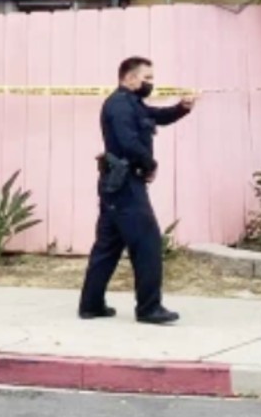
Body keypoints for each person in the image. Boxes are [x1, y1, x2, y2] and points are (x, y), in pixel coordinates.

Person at [79, 56, 198, 325]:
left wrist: (182, 108)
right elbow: (129, 142)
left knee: (108, 245)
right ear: (129, 78)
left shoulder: (132, 103)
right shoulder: (120, 105)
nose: (150, 83)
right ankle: (148, 308)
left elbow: (156, 116)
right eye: (147, 78)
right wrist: (150, 164)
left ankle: (91, 304)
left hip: (116, 185)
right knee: (148, 244)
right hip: (125, 185)